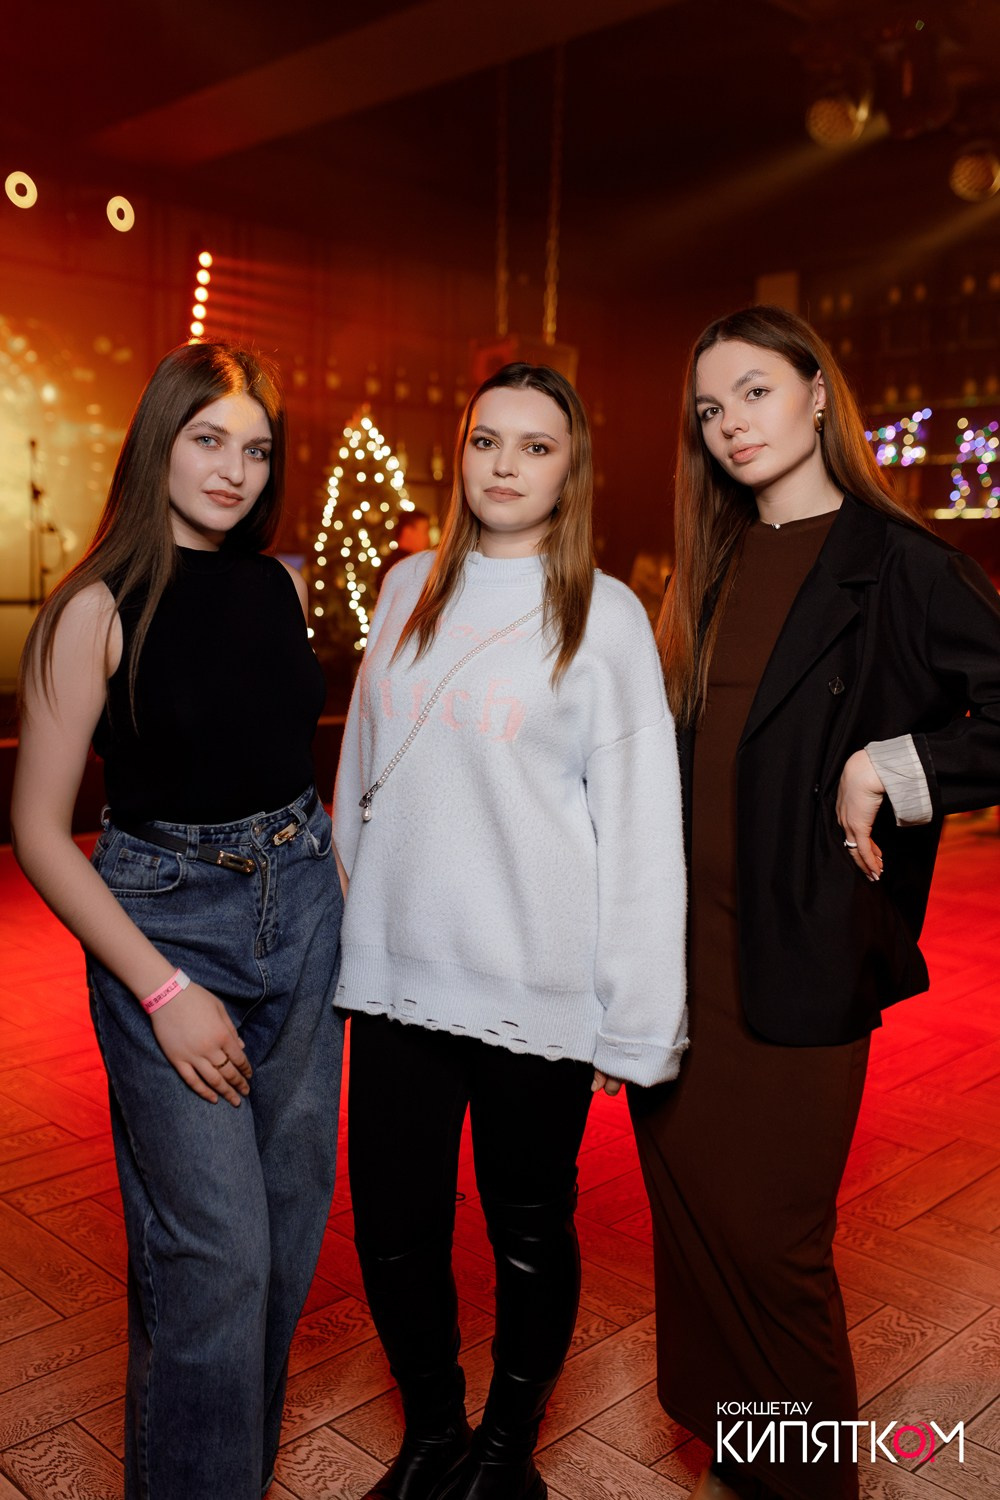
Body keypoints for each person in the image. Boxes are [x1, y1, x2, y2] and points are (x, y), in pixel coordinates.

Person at [630, 304, 1000, 1500]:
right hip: (677, 958)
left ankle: (809, 1482)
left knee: (771, 1242)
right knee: (693, 1222)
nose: (730, 423)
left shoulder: (898, 562)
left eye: (753, 391)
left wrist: (892, 764)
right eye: (709, 409)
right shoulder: (711, 563)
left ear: (815, 393)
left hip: (797, 957)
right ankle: (742, 1456)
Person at [333, 362, 687, 1500]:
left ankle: (503, 1455)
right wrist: (357, 914)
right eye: (488, 439)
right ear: (462, 453)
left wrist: (635, 1018)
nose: (505, 465)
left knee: (527, 1233)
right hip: (396, 975)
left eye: (536, 447)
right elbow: (361, 769)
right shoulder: (406, 586)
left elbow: (641, 828)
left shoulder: (604, 614)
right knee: (393, 1229)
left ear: (570, 470)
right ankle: (434, 1432)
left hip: (535, 985)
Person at [11, 342, 345, 1500]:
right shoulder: (92, 609)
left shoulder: (275, 586)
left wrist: (332, 900)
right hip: (168, 930)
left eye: (256, 448)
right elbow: (39, 832)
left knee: (284, 1245)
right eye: (209, 439)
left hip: (303, 911)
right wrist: (163, 991)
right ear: (159, 439)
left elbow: (290, 767)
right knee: (217, 1258)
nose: (234, 469)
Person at [377, 507, 432, 589]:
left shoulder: (392, 564)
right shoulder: (407, 566)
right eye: (425, 531)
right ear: (408, 532)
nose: (428, 538)